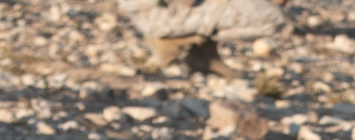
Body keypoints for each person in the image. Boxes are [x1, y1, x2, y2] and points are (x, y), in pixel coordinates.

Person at [117, 0, 289, 75]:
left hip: (145, 13)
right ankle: (174, 40)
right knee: (274, 18)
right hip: (165, 15)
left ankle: (203, 53)